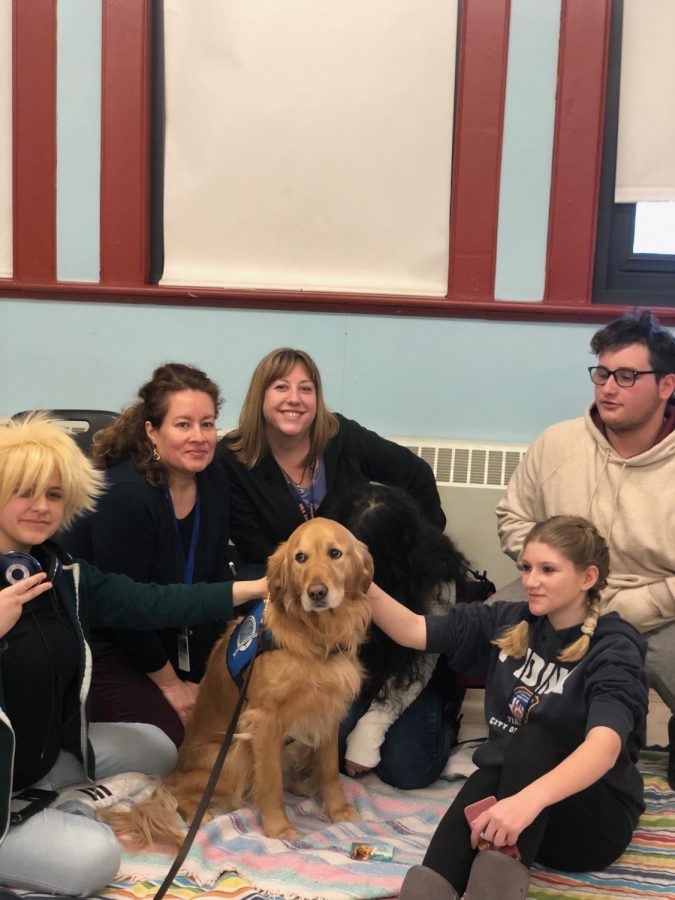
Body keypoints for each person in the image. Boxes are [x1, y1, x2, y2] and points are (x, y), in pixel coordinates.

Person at [0, 415, 266, 896]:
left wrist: (259, 587)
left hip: (38, 756)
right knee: (96, 858)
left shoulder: (62, 572)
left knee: (159, 746)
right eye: (25, 491)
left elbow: (154, 601)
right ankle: (52, 814)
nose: (41, 507)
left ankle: (54, 801)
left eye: (55, 495)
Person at [368, 516, 648, 900]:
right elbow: (414, 631)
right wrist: (358, 581)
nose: (531, 581)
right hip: (520, 817)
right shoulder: (509, 619)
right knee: (492, 767)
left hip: (590, 824)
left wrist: (525, 802)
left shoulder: (614, 646)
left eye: (548, 569)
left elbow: (605, 748)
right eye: (527, 568)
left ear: (587, 578)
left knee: (534, 734)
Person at [495, 310, 675, 786]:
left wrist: (642, 603)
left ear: (666, 386)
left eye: (626, 376)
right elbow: (513, 518)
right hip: (556, 592)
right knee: (477, 629)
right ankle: (481, 735)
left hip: (658, 609)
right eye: (601, 373)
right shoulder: (557, 443)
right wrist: (552, 575)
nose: (607, 387)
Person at [63, 363, 231, 747]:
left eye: (208, 424)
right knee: (172, 742)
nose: (200, 437)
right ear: (152, 431)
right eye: (184, 424)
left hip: (172, 632)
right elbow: (123, 612)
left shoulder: (215, 478)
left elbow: (214, 577)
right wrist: (172, 686)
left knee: (223, 723)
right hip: (107, 642)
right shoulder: (127, 496)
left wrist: (201, 676)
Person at [216, 347, 445, 573]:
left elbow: (417, 474)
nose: (294, 398)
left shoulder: (342, 435)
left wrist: (420, 551)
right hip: (285, 588)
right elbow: (256, 551)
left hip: (359, 585)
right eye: (281, 387)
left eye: (305, 389)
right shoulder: (232, 459)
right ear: (260, 396)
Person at [332, 483, 468, 789]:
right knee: (328, 750)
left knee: (407, 768)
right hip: (352, 673)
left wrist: (371, 728)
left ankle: (446, 719)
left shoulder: (437, 575)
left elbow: (422, 661)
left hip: (411, 671)